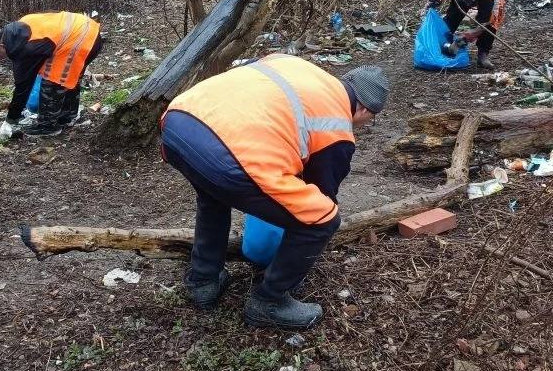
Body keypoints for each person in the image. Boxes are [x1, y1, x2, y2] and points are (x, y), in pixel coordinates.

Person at [160, 55, 389, 330]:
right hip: (228, 156)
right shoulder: (337, 125)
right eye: (370, 121)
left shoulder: (294, 64)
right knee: (323, 220)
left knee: (213, 196)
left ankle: (203, 282)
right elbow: (320, 197)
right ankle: (269, 302)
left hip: (179, 124)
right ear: (364, 110)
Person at [0, 11, 103, 138]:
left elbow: (23, 87)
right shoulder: (23, 22)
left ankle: (48, 126)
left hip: (80, 39)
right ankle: (67, 116)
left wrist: (10, 120)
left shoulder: (24, 49)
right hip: (89, 30)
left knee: (53, 80)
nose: (1, 58)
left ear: (0, 46)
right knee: (68, 77)